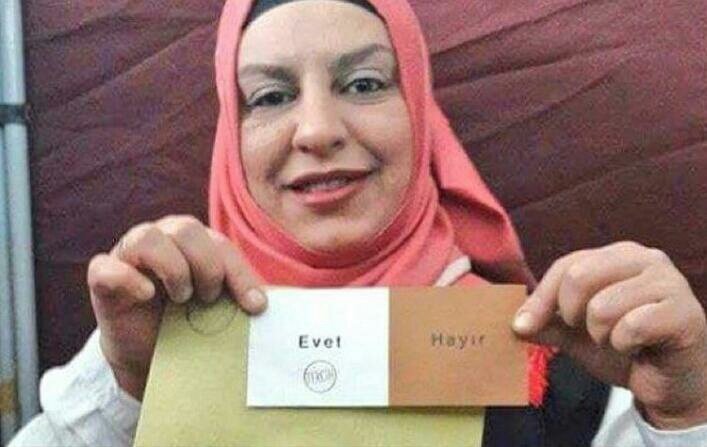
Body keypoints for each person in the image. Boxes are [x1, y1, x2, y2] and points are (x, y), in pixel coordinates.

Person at [9, 0, 707, 445]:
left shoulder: (551, 360)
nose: (316, 129)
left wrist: (681, 416)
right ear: (231, 141)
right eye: (270, 96)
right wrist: (125, 384)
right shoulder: (153, 348)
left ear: (421, 117)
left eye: (365, 83)